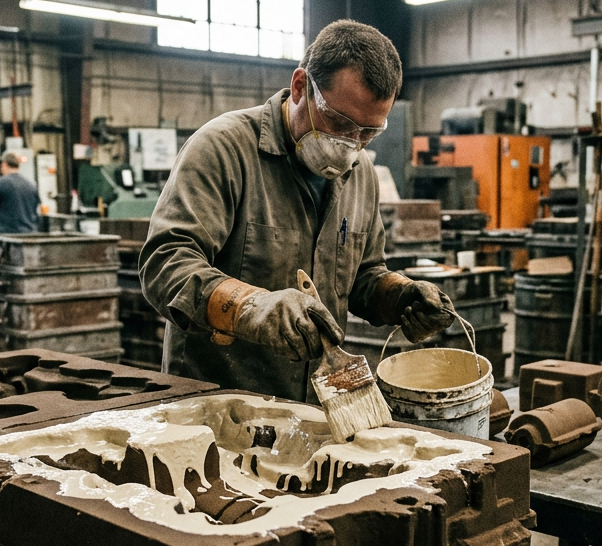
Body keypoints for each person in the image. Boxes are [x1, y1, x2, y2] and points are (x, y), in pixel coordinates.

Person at [139, 20, 457, 403]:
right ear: (301, 87)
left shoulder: (362, 174)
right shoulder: (223, 149)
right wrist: (250, 307)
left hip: (315, 406)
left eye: (368, 133)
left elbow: (361, 276)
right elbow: (166, 263)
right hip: (218, 403)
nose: (350, 144)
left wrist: (401, 297)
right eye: (340, 123)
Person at [0, 151, 41, 233]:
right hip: (29, 234)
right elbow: (36, 208)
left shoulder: (1, 183)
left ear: (4, 164)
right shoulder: (31, 184)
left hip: (8, 236)